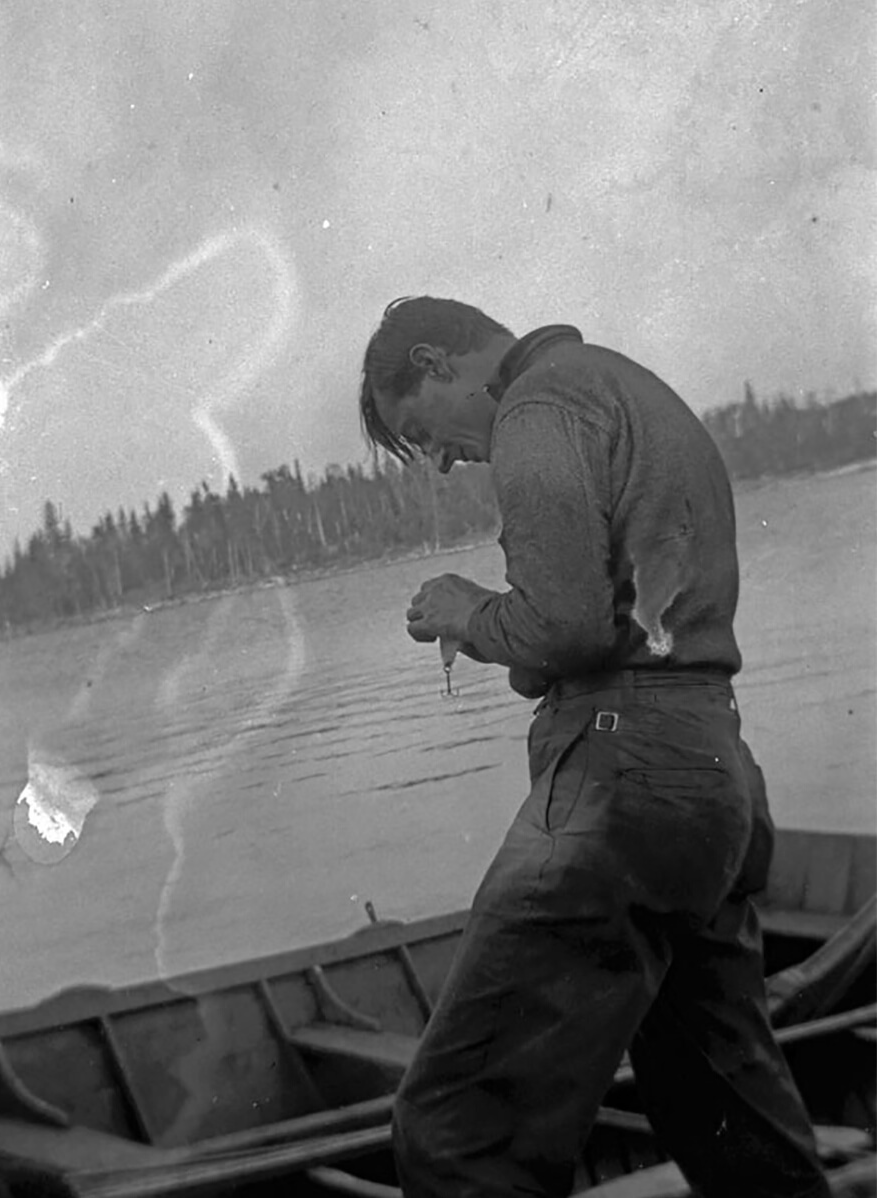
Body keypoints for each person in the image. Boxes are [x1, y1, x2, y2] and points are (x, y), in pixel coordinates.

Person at [357, 297, 829, 1197]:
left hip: (622, 785)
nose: (446, 459)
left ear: (436, 359)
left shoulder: (536, 404)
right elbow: (617, 616)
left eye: (426, 431)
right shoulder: (625, 384)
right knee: (724, 1104)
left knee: (456, 1124)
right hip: (713, 769)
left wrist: (468, 611)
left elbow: (564, 629)